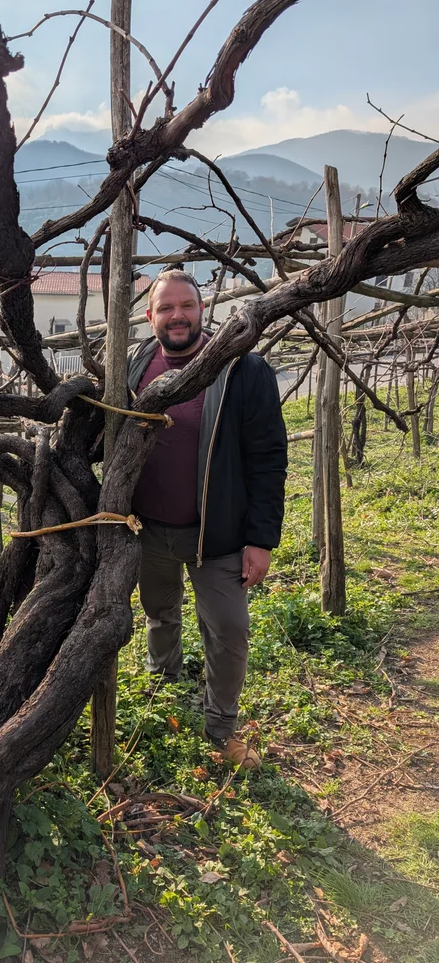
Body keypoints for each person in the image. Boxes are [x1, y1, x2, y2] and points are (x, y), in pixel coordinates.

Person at [128, 268, 287, 769]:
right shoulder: (136, 364)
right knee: (159, 610)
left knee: (228, 629)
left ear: (203, 310)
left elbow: (268, 457)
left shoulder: (242, 369)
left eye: (187, 306)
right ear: (150, 316)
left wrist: (260, 540)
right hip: (147, 528)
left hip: (216, 534)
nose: (177, 316)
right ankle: (163, 678)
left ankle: (220, 725)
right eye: (166, 308)